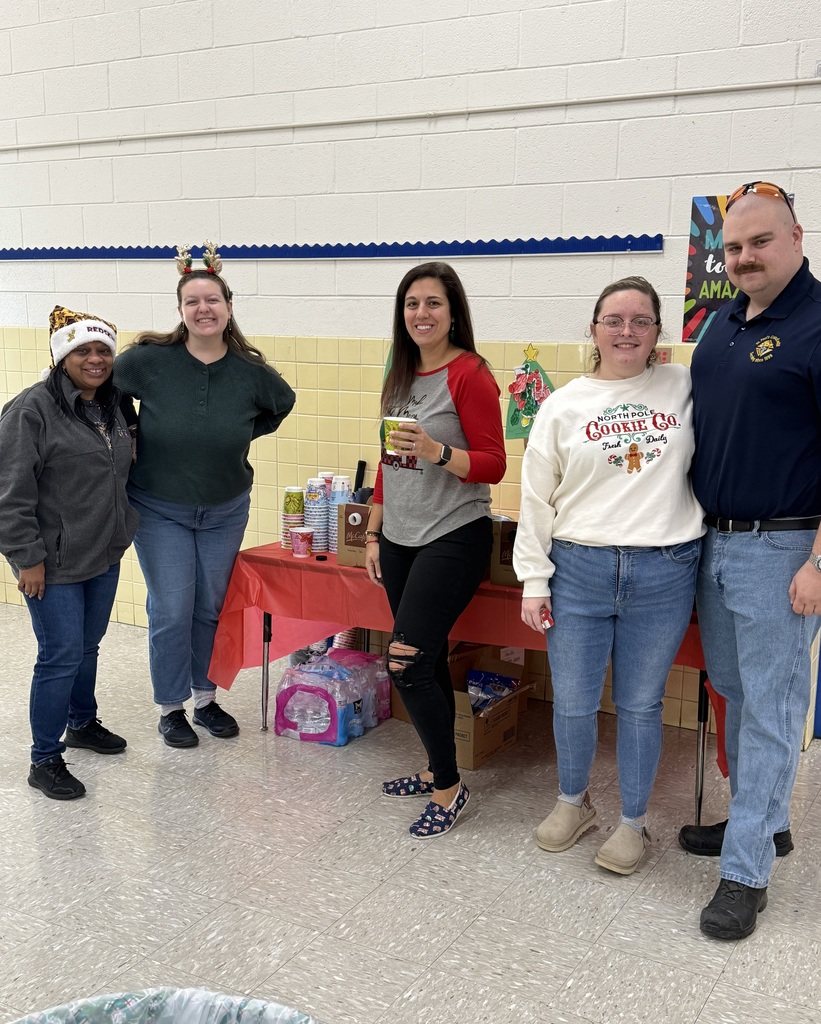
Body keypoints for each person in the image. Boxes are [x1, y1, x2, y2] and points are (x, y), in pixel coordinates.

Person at [513, 277, 704, 875]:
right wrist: (533, 579)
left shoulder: (683, 386)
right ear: (593, 329)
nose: (627, 331)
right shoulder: (562, 404)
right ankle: (574, 803)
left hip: (664, 568)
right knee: (571, 700)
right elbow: (536, 497)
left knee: (641, 703)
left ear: (657, 332)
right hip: (579, 567)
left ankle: (633, 823)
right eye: (614, 320)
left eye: (641, 320)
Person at [678, 181, 821, 940]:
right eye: (732, 247)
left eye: (759, 242)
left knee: (770, 704)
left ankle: (744, 874)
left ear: (796, 237)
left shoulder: (816, 324)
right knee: (735, 689)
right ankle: (761, 823)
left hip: (784, 547)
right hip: (715, 540)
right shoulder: (722, 324)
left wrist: (819, 564)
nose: (743, 257)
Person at [115, 243, 295, 748]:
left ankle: (206, 699)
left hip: (224, 508)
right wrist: (130, 431)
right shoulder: (150, 361)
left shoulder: (249, 372)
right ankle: (171, 707)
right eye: (192, 301)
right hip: (157, 506)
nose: (203, 309)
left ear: (229, 306)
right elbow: (109, 388)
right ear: (180, 311)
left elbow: (281, 404)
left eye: (212, 300)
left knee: (209, 607)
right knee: (172, 606)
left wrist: (238, 432)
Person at [364, 261, 506, 839]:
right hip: (398, 537)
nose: (421, 314)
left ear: (453, 313)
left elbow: (494, 465)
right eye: (411, 304)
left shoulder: (470, 374)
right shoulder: (399, 373)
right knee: (424, 659)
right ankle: (435, 767)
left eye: (433, 304)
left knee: (405, 660)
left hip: (453, 533)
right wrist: (372, 531)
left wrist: (437, 450)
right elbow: (384, 461)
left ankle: (449, 788)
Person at [0, 306, 139, 799]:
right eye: (83, 350)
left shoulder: (116, 405)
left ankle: (82, 722)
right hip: (51, 563)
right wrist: (26, 558)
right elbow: (10, 493)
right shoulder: (31, 410)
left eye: (104, 350)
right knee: (59, 655)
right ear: (62, 356)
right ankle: (44, 758)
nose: (96, 359)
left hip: (103, 552)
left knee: (86, 645)